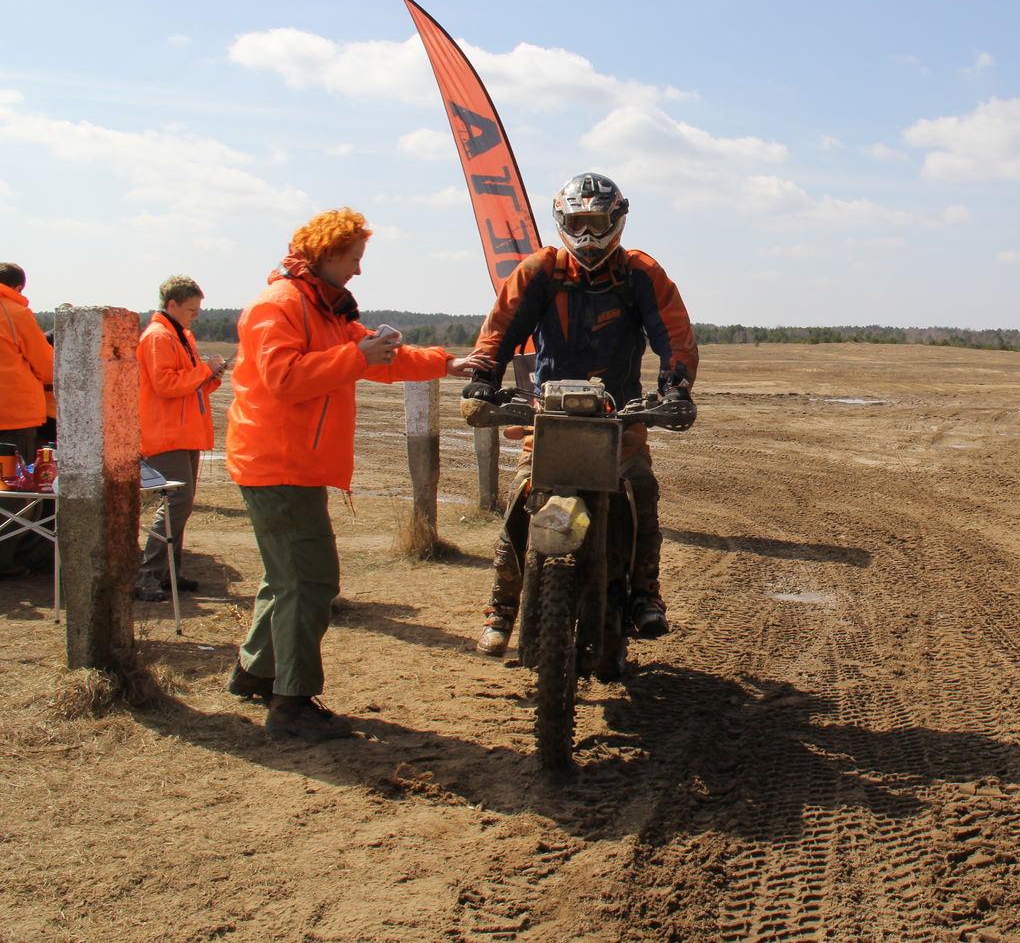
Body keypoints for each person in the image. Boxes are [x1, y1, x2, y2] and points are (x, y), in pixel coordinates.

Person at [224, 208, 488, 740]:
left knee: (286, 578)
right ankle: (291, 704)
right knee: (310, 580)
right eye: (353, 258)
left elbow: (383, 357)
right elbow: (283, 380)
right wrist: (353, 355)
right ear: (326, 254)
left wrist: (445, 363)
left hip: (288, 464)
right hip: (278, 465)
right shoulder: (279, 305)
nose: (358, 270)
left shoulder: (322, 308)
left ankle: (257, 673)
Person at [463, 172, 697, 657]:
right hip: (549, 416)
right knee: (521, 498)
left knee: (641, 491)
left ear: (617, 220)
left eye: (596, 222)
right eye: (577, 223)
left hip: (620, 414)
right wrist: (483, 379)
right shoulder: (540, 271)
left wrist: (675, 388)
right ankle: (501, 608)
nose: (587, 234)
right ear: (561, 223)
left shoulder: (639, 273)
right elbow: (500, 329)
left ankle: (645, 592)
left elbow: (673, 333)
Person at [133, 275, 227, 602]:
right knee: (177, 502)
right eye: (191, 309)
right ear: (171, 305)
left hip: (183, 431)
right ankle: (148, 574)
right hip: (165, 433)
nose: (196, 315)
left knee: (180, 504)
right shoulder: (158, 337)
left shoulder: (180, 335)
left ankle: (168, 572)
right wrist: (205, 370)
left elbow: (188, 386)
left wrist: (211, 377)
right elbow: (166, 385)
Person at [0, 262, 55, 578]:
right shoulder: (16, 313)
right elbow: (46, 366)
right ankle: (4, 560)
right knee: (10, 492)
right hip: (12, 418)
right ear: (19, 288)